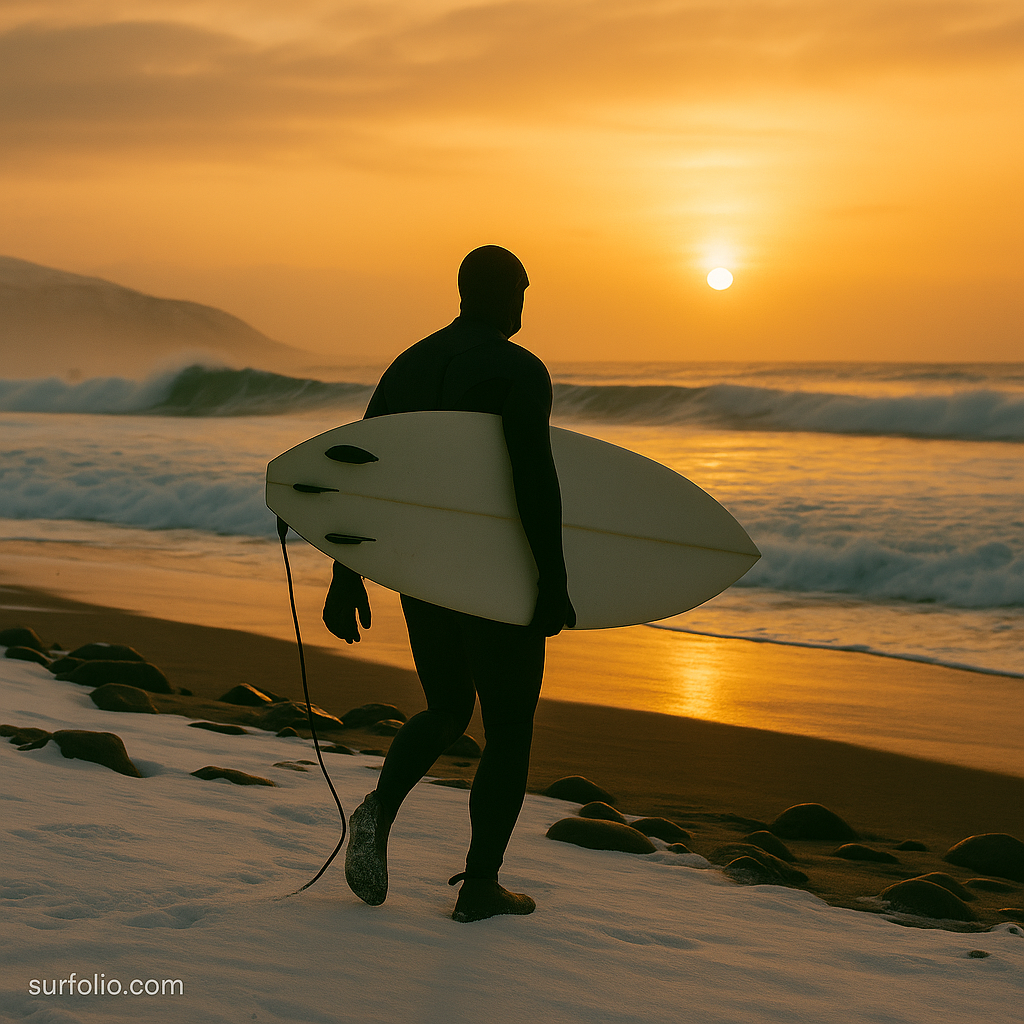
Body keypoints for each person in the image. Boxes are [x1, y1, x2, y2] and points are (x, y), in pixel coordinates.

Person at [322, 244, 575, 923]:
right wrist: (551, 579)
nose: (526, 304)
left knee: (445, 708)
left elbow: (363, 469)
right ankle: (481, 885)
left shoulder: (409, 364)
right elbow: (533, 478)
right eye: (522, 291)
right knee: (509, 728)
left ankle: (377, 808)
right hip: (492, 567)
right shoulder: (519, 369)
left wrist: (348, 574)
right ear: (496, 293)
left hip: (421, 564)